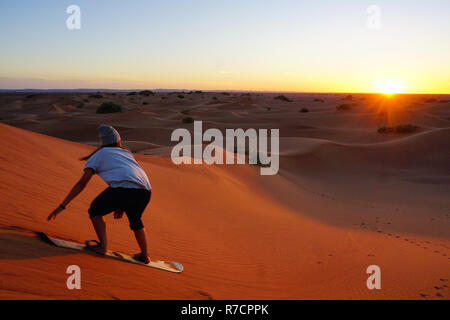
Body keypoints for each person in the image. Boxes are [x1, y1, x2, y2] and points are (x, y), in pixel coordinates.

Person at [47, 125, 152, 264]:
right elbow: (131, 179)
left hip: (125, 189)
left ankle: (103, 247)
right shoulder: (126, 153)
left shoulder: (99, 155)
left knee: (95, 210)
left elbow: (82, 183)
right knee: (136, 221)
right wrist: (121, 206)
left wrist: (62, 206)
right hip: (145, 191)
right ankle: (145, 256)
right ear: (118, 141)